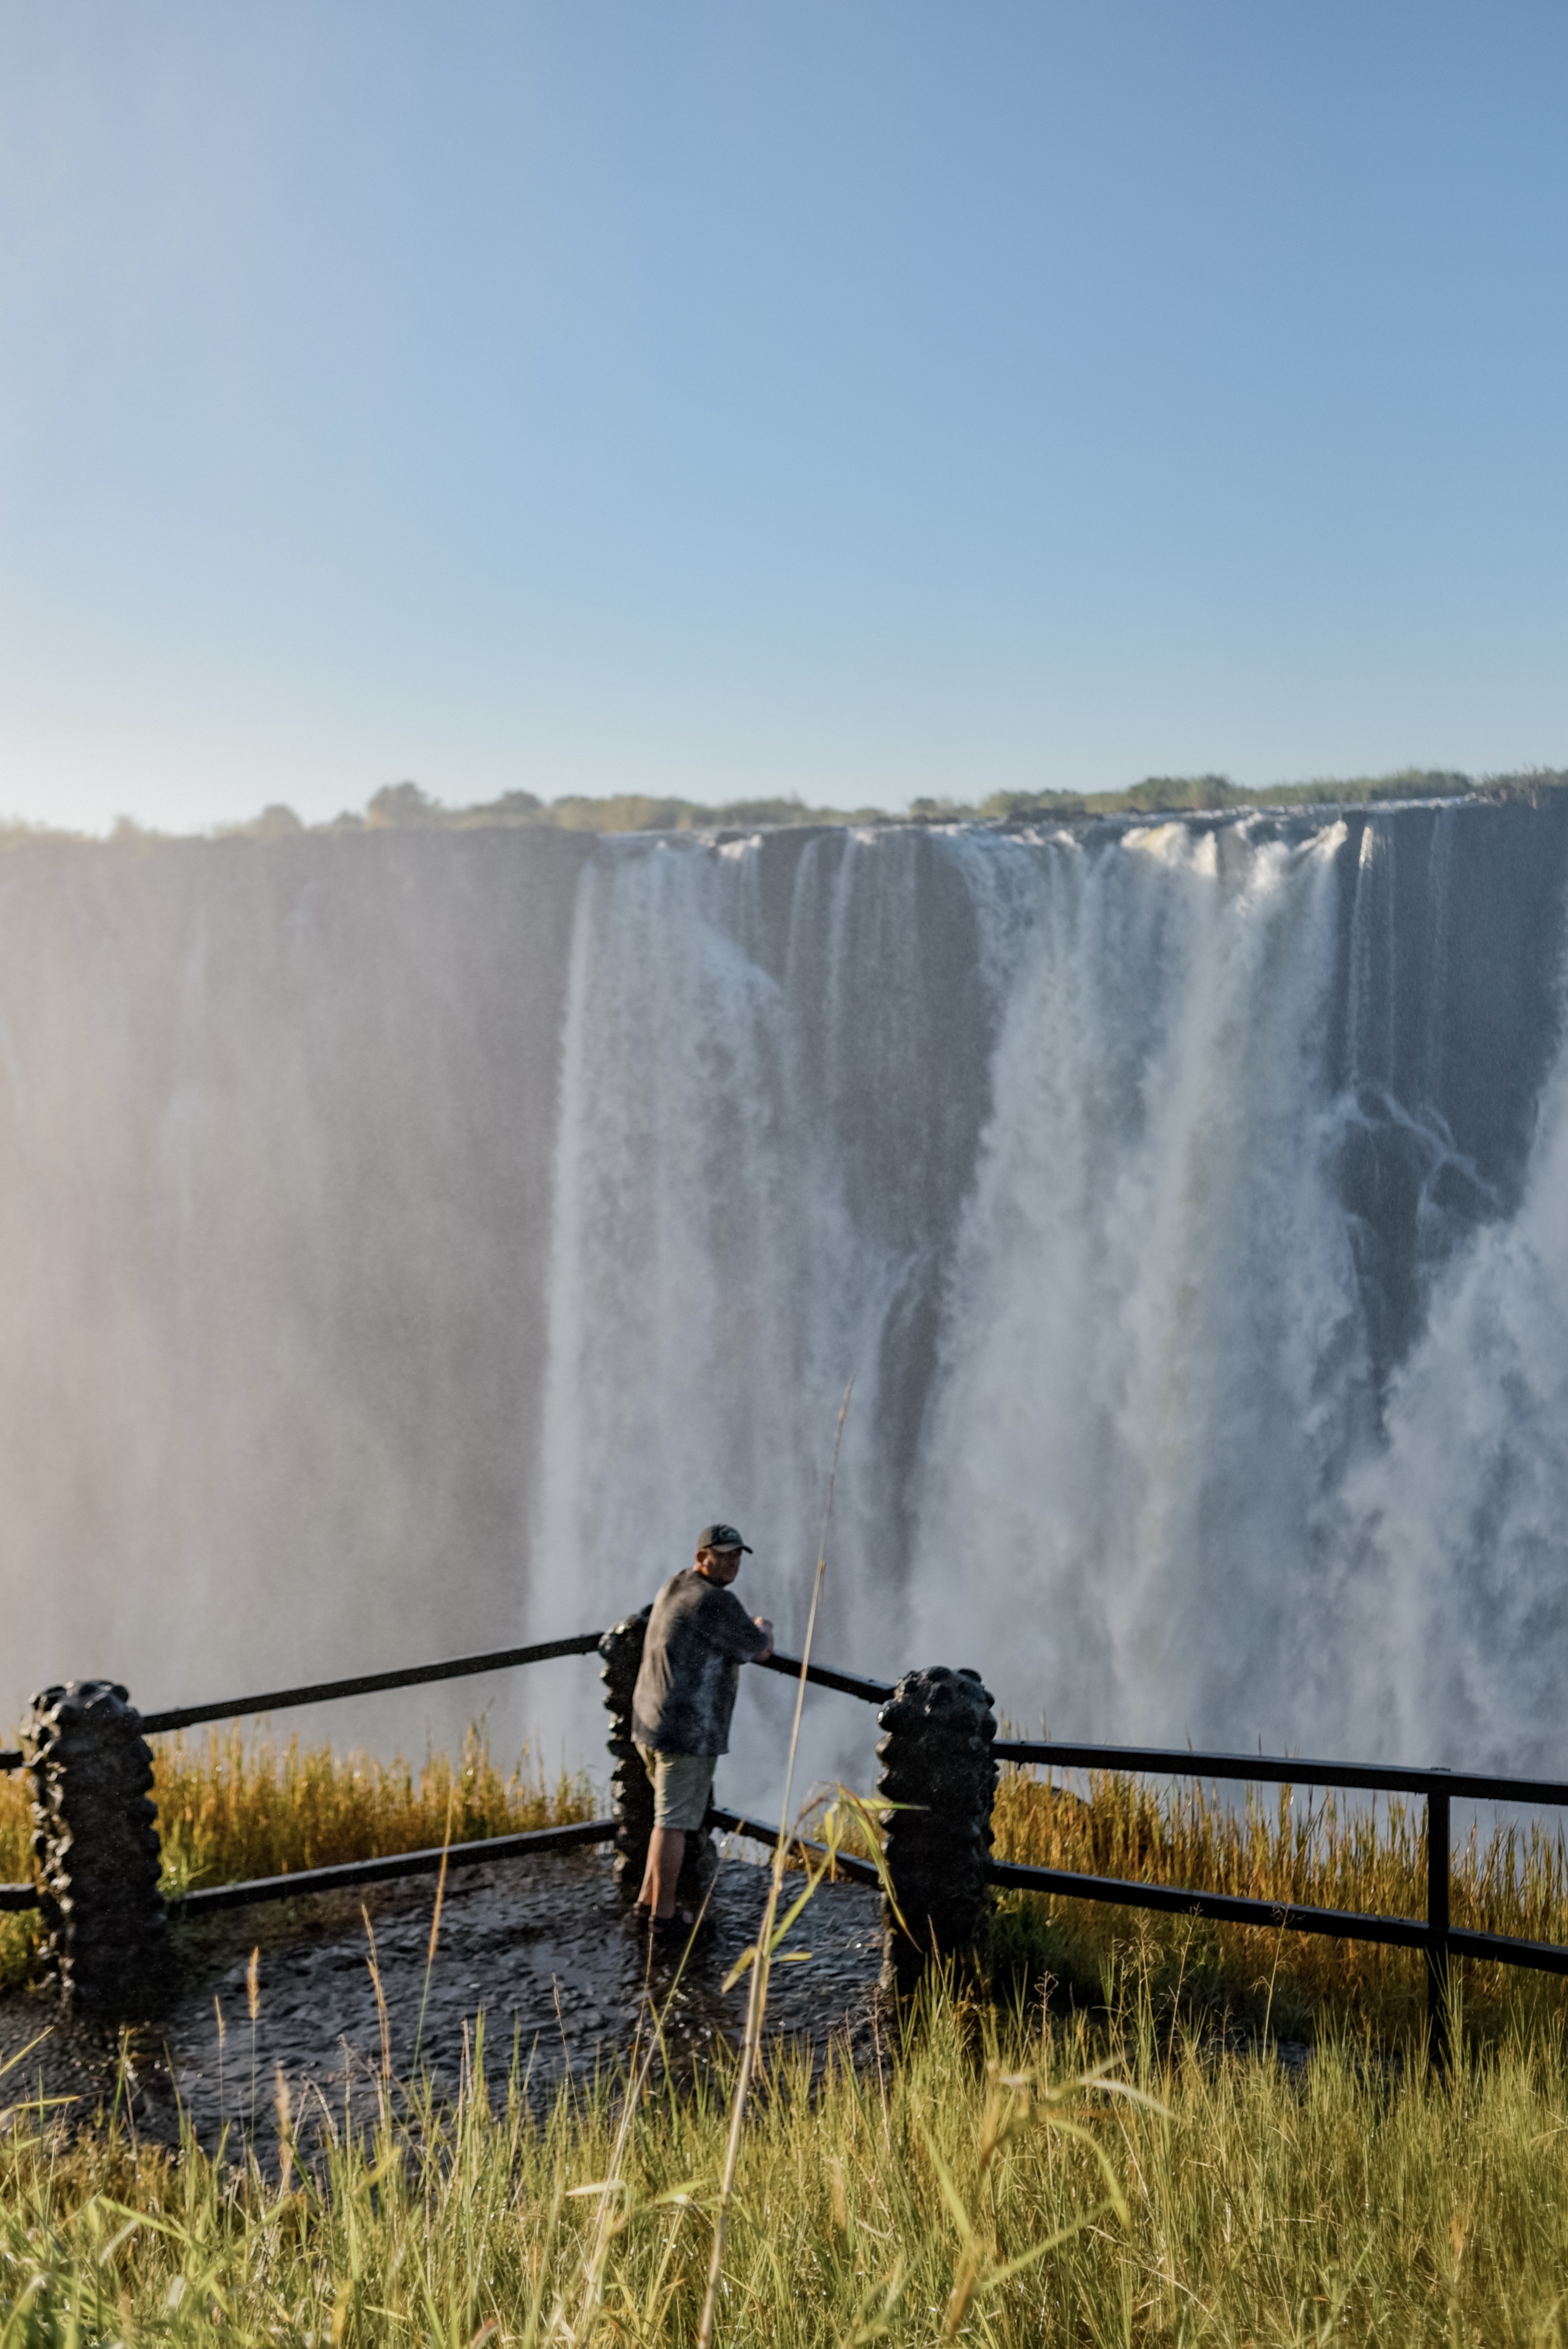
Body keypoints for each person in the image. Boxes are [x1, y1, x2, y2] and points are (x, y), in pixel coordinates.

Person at [632, 1522, 774, 1937]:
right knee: (673, 1824)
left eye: (737, 1556)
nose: (731, 1563)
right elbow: (758, 1648)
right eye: (723, 1555)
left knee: (666, 1818)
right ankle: (665, 1916)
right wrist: (764, 1626)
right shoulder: (715, 1602)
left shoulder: (676, 1585)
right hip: (685, 1734)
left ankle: (646, 1902)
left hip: (649, 1722)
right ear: (702, 1558)